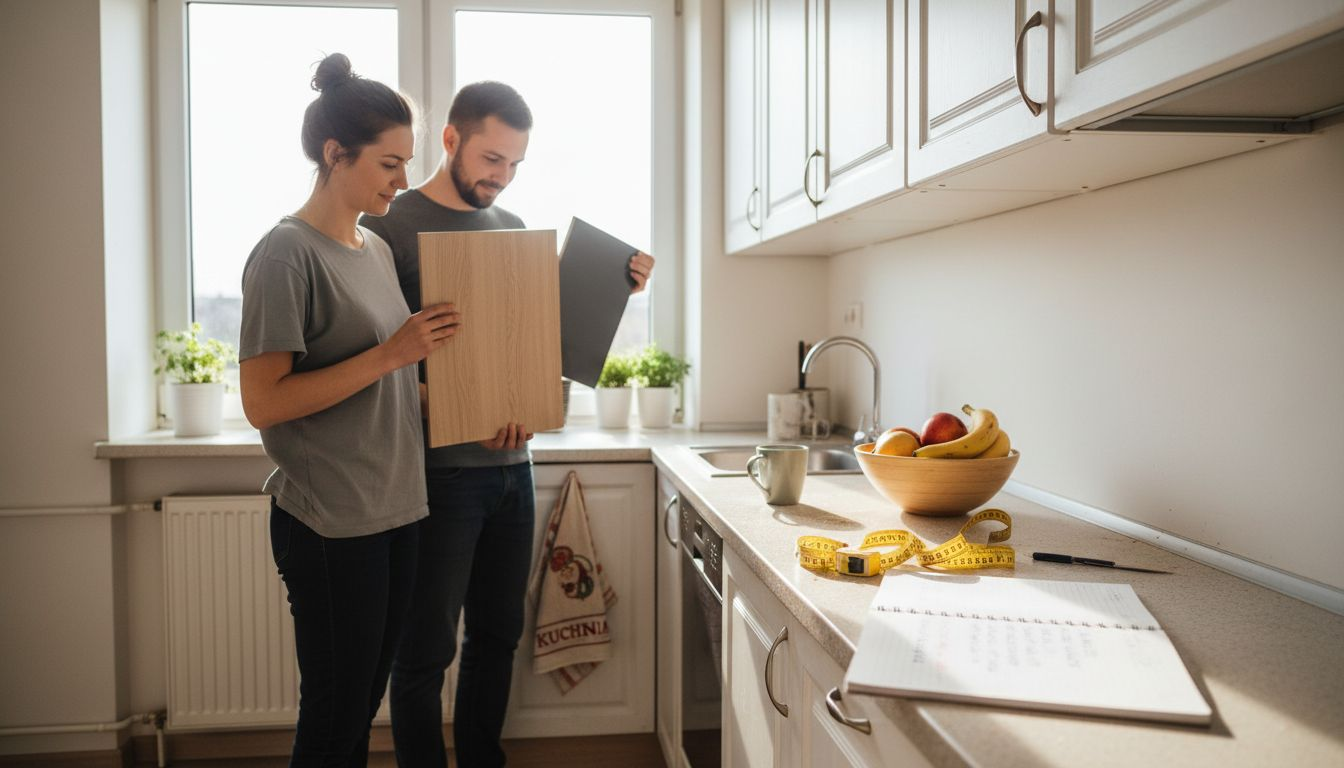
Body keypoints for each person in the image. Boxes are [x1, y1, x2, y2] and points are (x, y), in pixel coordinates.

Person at [360, 81, 654, 767]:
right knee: (424, 651)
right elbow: (379, 362)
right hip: (436, 480)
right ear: (451, 140)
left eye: (515, 163)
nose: (502, 175)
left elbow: (535, 348)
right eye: (492, 157)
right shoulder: (389, 228)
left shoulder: (515, 229)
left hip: (510, 472)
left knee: (497, 635)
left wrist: (619, 286)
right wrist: (466, 405)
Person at [238, 53, 461, 766]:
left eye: (407, 163)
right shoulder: (285, 254)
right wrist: (394, 355)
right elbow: (262, 402)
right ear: (337, 155)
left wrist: (479, 399)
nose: (403, 180)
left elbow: (386, 385)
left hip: (398, 509)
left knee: (361, 710)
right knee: (335, 718)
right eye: (390, 164)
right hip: (331, 523)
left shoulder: (369, 249)